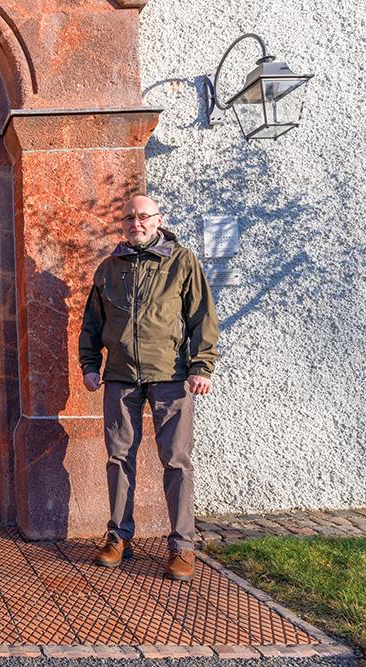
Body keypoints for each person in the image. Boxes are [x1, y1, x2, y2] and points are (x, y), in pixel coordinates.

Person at [79, 194, 219, 581]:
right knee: (118, 458)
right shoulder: (109, 268)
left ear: (158, 220)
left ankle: (181, 545)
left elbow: (202, 316)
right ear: (122, 224)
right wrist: (91, 365)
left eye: (144, 217)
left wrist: (201, 365)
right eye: (129, 218)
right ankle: (118, 537)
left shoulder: (181, 261)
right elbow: (92, 323)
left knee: (176, 460)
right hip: (121, 377)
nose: (136, 223)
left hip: (171, 376)